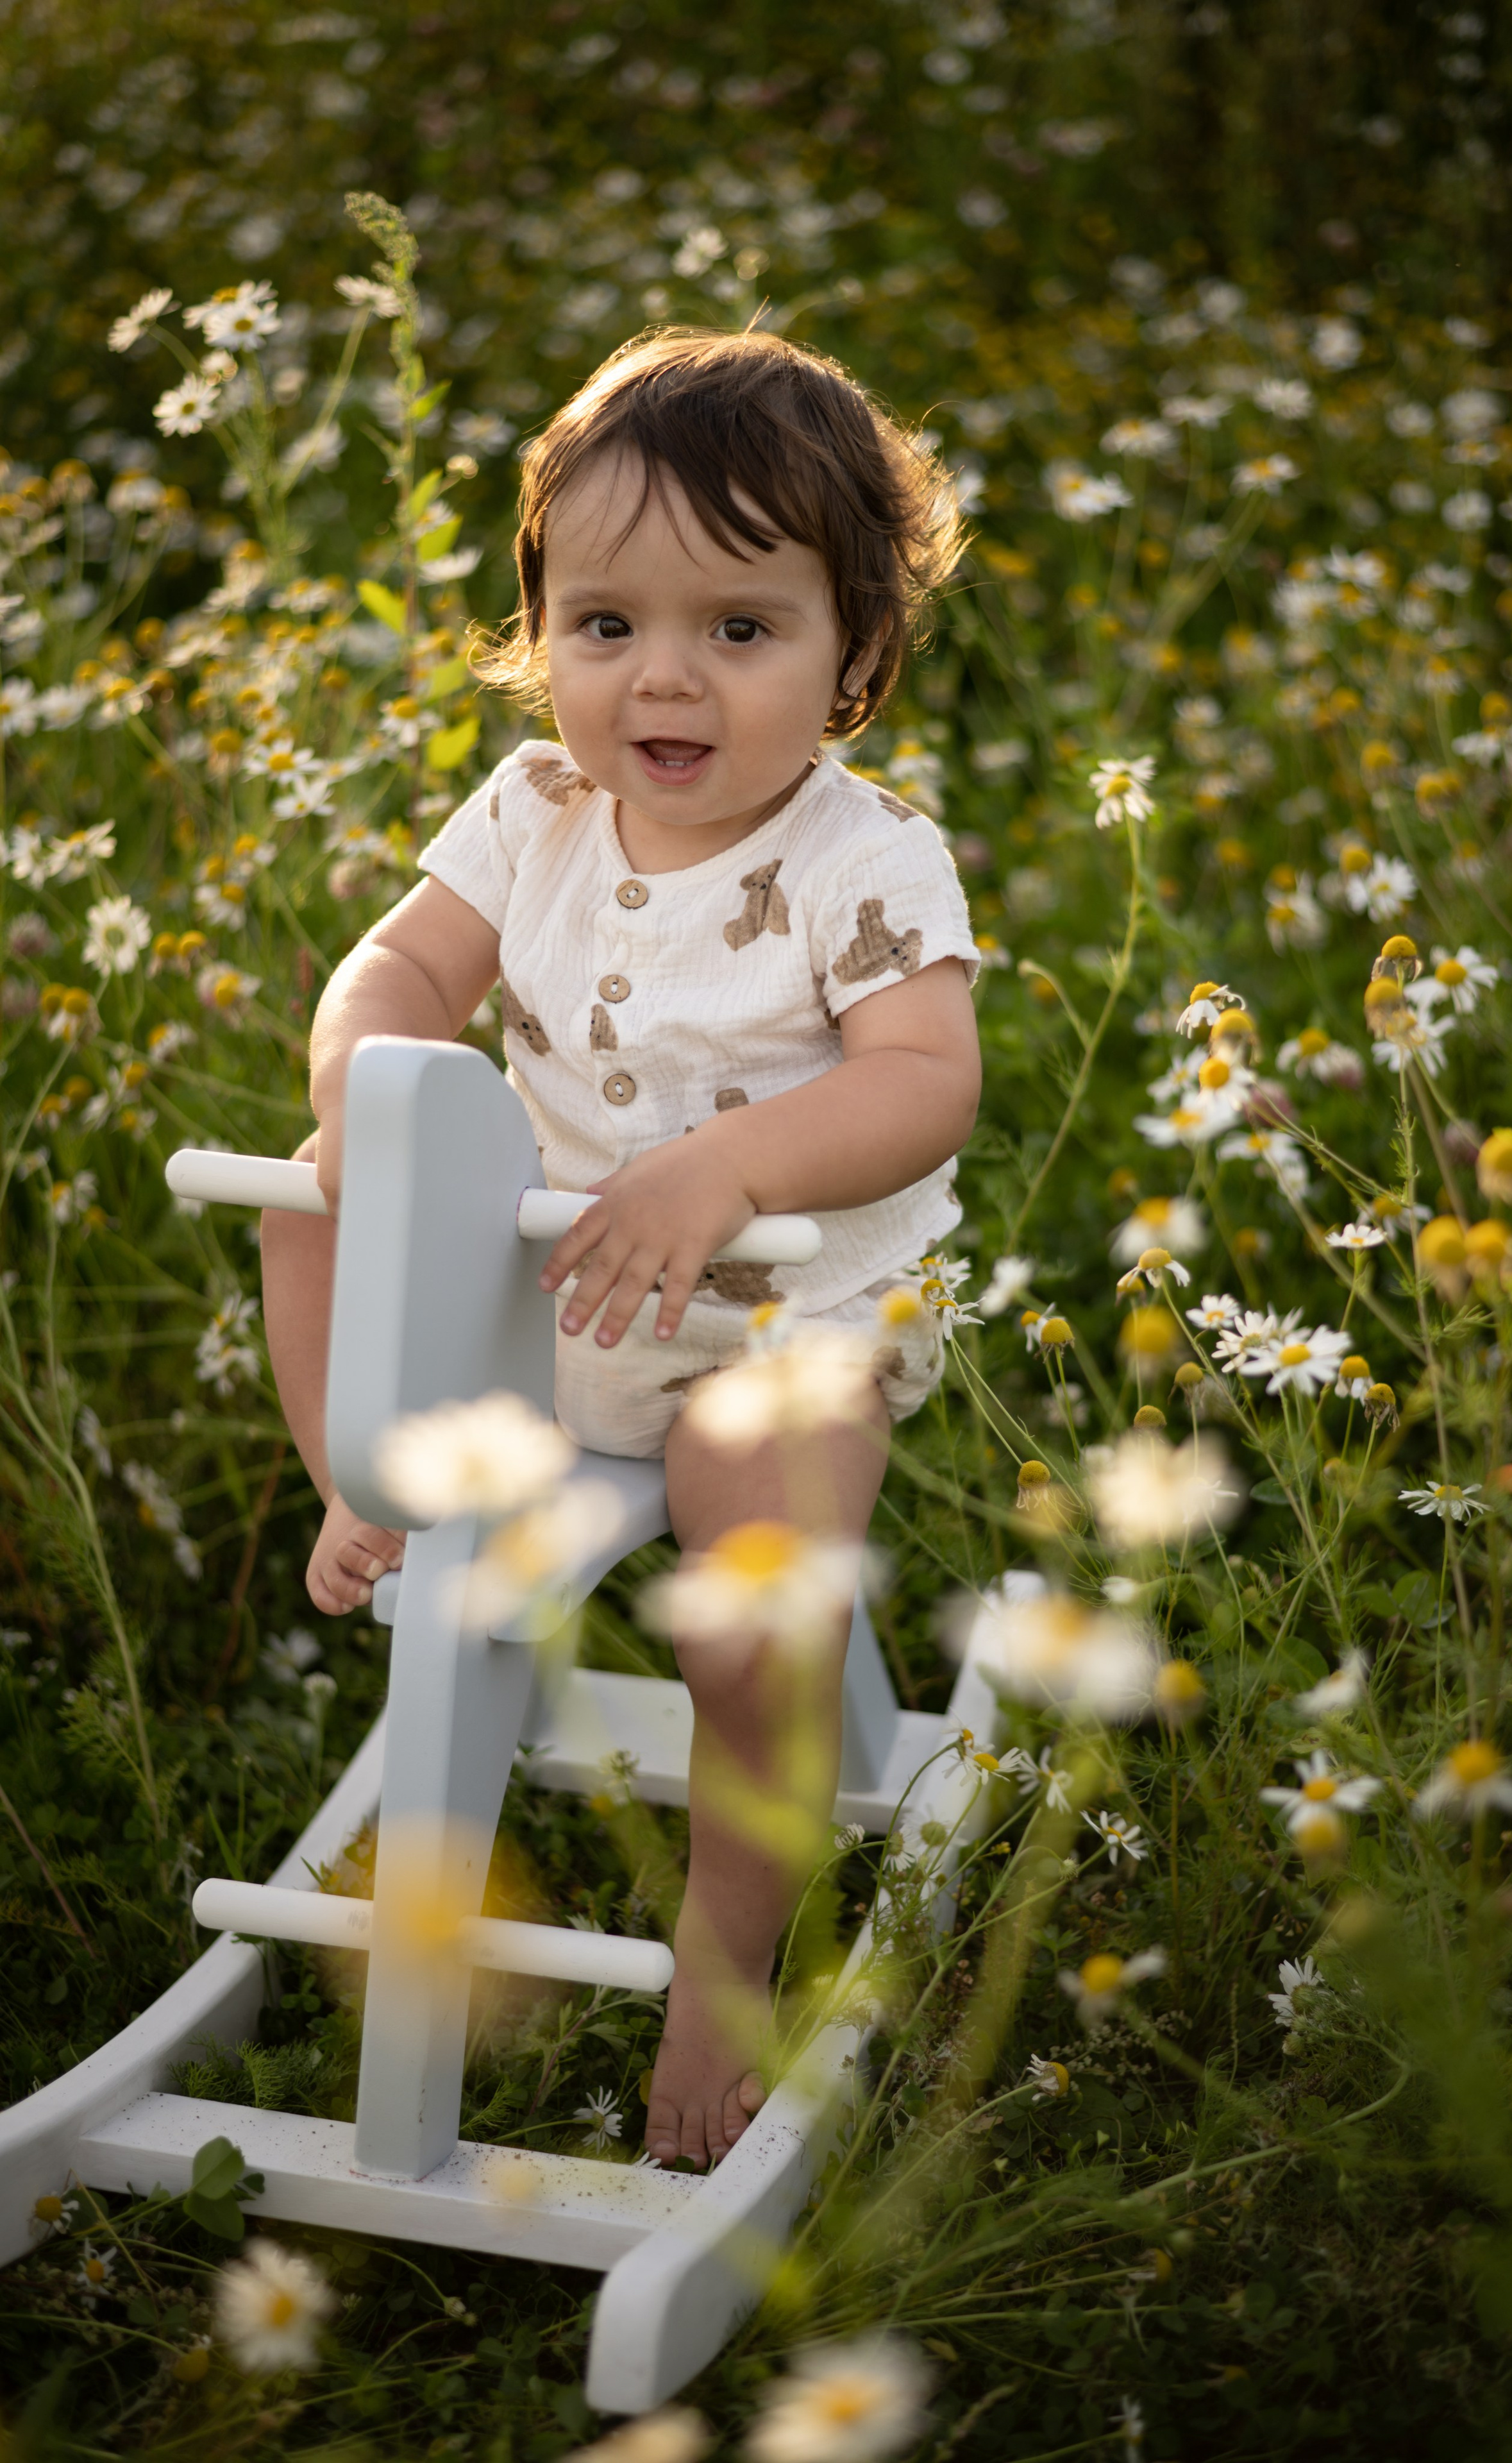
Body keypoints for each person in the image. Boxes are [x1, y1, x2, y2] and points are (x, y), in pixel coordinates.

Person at [260, 326, 983, 2171]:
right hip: (552, 1292)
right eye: (606, 625)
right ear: (542, 631)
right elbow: (402, 966)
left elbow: (923, 1081)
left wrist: (727, 1168)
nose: (664, 678)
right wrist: (364, 1081)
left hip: (779, 1320)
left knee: (753, 1606)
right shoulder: (532, 812)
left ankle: (721, 1966)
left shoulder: (867, 859)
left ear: (854, 661)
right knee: (300, 1198)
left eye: (739, 630)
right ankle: (371, 1474)